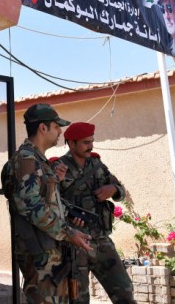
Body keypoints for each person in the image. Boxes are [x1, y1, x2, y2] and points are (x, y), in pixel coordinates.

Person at [2, 103, 92, 304]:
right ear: (43, 128)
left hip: (49, 251)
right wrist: (69, 234)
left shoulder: (38, 161)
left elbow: (44, 200)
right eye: (56, 126)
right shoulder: (26, 160)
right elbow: (32, 207)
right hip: (40, 255)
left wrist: (68, 214)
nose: (60, 131)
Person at [58, 122, 134, 304]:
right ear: (71, 143)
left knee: (124, 290)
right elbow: (50, 201)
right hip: (74, 244)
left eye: (92, 141)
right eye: (85, 142)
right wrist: (69, 213)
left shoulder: (97, 164)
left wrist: (112, 189)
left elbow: (120, 190)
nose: (90, 146)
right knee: (78, 298)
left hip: (101, 241)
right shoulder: (58, 167)